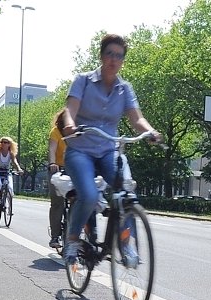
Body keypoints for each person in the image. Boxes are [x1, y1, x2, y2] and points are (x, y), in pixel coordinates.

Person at [59, 33, 162, 268]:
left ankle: (127, 245)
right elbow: (70, 108)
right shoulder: (83, 80)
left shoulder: (125, 89)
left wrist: (150, 132)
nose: (113, 60)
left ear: (123, 60)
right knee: (89, 195)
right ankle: (73, 239)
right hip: (81, 148)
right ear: (101, 55)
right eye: (109, 54)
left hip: (107, 150)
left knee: (127, 192)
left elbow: (137, 118)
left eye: (119, 56)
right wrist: (70, 124)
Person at [46, 109, 68, 248]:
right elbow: (52, 149)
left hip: (73, 168)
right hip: (57, 168)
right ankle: (55, 236)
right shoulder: (55, 132)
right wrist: (53, 163)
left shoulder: (78, 131)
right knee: (57, 202)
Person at [0, 135, 23, 210]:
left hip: (6, 172)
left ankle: (10, 209)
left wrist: (19, 169)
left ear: (9, 144)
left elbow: (15, 162)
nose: (3, 144)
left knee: (10, 189)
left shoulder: (11, 154)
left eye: (6, 142)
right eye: (2, 142)